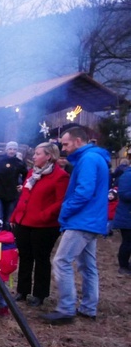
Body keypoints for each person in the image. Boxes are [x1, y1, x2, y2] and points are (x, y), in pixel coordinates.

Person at [41, 126, 110, 324]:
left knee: (61, 261)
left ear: (78, 141)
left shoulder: (88, 159)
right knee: (87, 266)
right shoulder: (94, 158)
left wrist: (65, 210)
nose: (64, 149)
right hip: (92, 220)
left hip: (82, 220)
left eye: (66, 144)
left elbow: (84, 192)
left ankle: (66, 309)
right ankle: (88, 308)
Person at [10, 142, 69, 307]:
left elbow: (60, 202)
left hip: (44, 226)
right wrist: (15, 216)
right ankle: (23, 290)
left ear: (48, 156)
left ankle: (40, 294)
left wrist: (44, 215)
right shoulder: (32, 173)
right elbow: (24, 198)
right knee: (25, 256)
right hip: (24, 222)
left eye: (38, 154)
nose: (34, 157)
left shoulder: (60, 176)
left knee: (41, 258)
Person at [0, 141, 27, 225]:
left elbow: (26, 175)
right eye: (10, 149)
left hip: (12, 194)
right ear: (6, 150)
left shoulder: (19, 163)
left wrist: (22, 185)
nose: (12, 151)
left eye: (14, 149)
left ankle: (7, 237)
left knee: (9, 220)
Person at [114, 166, 131, 275]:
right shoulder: (127, 176)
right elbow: (123, 194)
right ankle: (123, 266)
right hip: (127, 216)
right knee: (128, 242)